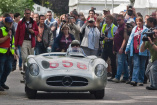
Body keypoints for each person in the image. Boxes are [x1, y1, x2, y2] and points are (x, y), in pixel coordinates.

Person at [125, 17, 148, 86]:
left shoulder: (146, 29)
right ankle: (134, 80)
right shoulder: (134, 29)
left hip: (143, 50)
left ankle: (140, 80)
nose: (138, 23)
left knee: (142, 66)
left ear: (142, 22)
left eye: (140, 21)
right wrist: (127, 48)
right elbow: (130, 39)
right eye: (137, 21)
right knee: (136, 65)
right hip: (135, 50)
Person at [0, 17, 17, 91]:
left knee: (8, 68)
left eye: (11, 23)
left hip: (9, 54)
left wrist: (14, 53)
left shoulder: (11, 31)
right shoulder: (1, 30)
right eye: (9, 23)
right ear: (5, 23)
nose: (10, 24)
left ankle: (2, 82)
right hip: (2, 53)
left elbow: (11, 43)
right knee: (1, 69)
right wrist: (7, 36)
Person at [112, 15, 129, 83]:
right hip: (117, 47)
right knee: (124, 62)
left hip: (121, 48)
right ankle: (125, 77)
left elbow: (125, 39)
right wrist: (114, 48)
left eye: (119, 20)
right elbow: (115, 38)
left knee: (120, 62)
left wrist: (122, 48)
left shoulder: (124, 27)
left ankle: (118, 77)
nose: (118, 21)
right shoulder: (119, 27)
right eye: (117, 20)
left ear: (123, 19)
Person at [101, 14, 117, 81]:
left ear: (111, 20)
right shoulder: (104, 26)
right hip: (105, 45)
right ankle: (101, 74)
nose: (106, 20)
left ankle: (114, 75)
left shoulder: (114, 27)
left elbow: (115, 37)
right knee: (102, 60)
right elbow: (102, 33)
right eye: (105, 19)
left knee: (112, 61)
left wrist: (109, 38)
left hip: (111, 44)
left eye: (107, 19)